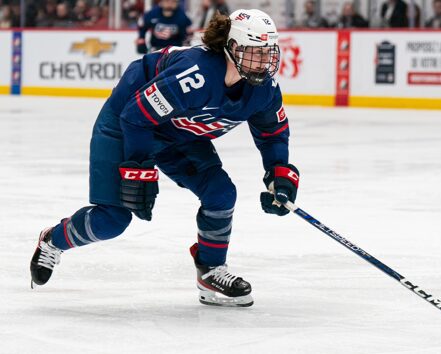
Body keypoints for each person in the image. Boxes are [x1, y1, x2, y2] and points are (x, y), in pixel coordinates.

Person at [30, 9, 299, 308]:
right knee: (113, 220)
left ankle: (210, 270)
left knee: (221, 194)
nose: (264, 61)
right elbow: (135, 116)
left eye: (268, 52)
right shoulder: (195, 75)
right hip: (125, 124)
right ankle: (53, 240)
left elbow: (273, 133)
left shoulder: (264, 91)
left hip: (177, 133)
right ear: (232, 48)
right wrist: (139, 167)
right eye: (255, 52)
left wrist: (279, 173)